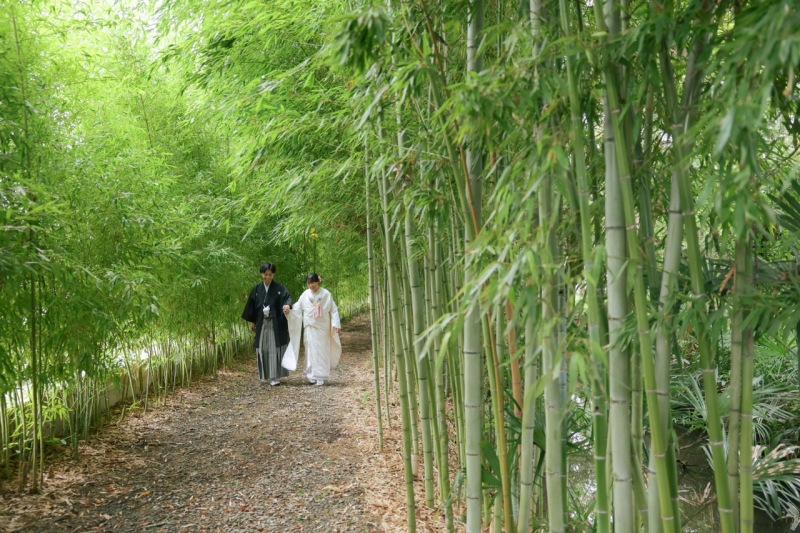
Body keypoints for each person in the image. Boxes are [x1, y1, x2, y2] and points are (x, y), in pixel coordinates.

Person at [282, 273, 341, 386]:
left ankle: (320, 376)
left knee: (321, 350)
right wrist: (289, 309)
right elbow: (297, 307)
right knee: (310, 350)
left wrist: (336, 324)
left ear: (318, 282)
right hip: (309, 327)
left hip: (322, 327)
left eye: (313, 283)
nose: (310, 285)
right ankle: (311, 375)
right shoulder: (305, 295)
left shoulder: (326, 294)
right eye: (308, 283)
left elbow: (333, 309)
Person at [241, 262, 293, 386]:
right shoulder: (257, 289)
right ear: (261, 274)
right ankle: (266, 375)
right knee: (263, 348)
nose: (268, 277)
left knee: (274, 348)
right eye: (265, 274)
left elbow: (288, 298)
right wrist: (253, 322)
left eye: (270, 274)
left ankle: (274, 377)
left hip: (276, 323)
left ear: (273, 274)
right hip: (262, 323)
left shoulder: (279, 288)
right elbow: (252, 307)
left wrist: (287, 306)